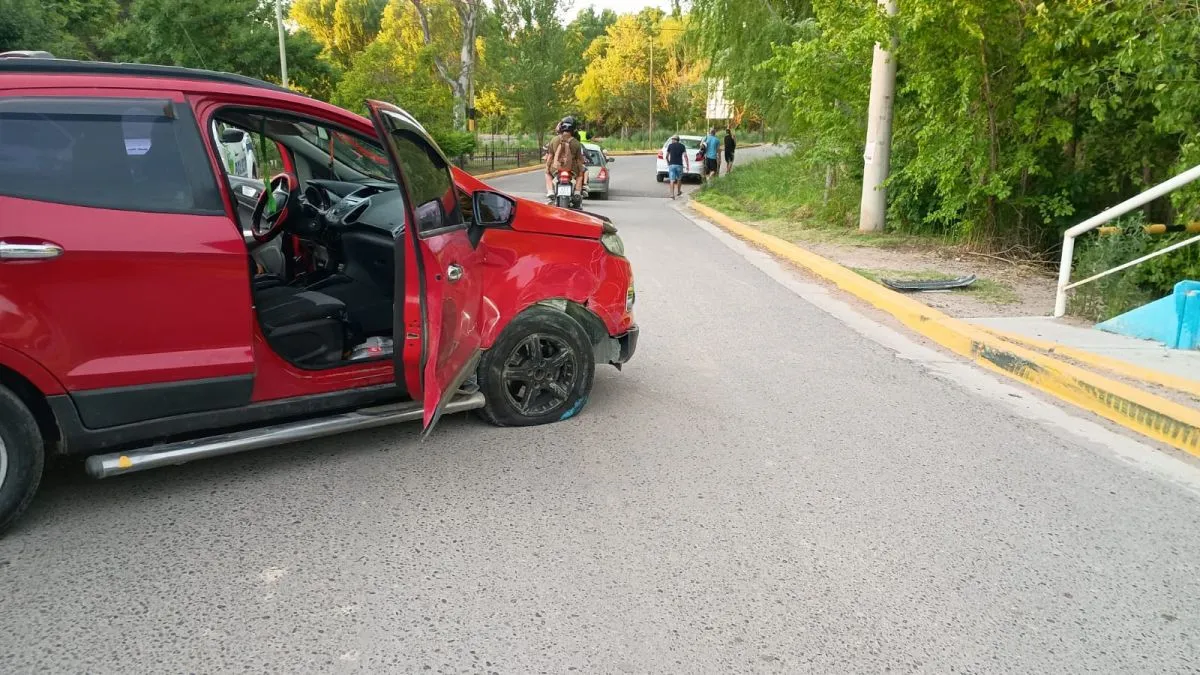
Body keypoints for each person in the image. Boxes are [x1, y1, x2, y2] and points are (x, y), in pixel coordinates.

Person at [544, 116, 585, 202]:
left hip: (556, 168)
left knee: (547, 174)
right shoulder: (576, 143)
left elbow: (550, 156)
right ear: (573, 130)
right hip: (572, 169)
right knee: (581, 175)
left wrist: (548, 168)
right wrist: (581, 170)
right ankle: (577, 192)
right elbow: (579, 160)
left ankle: (550, 191)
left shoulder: (554, 140)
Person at [664, 134, 689, 199]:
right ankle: (678, 192)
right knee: (679, 179)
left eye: (672, 139)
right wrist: (687, 165)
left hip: (672, 165)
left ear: (675, 140)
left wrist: (668, 163)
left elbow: (666, 156)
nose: (672, 140)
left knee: (672, 180)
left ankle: (672, 194)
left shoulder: (670, 146)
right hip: (679, 165)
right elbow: (685, 156)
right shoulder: (682, 146)